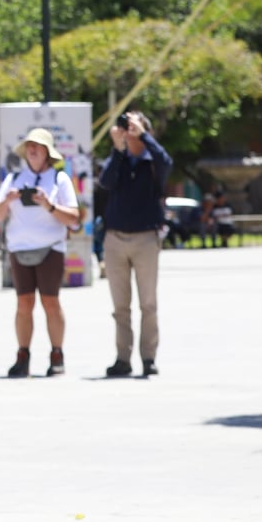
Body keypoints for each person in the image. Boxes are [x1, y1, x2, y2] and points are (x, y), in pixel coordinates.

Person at [0, 127, 81, 378]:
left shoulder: (59, 179)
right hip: (19, 249)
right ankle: (22, 356)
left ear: (47, 153)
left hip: (51, 248)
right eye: (29, 145)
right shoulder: (14, 179)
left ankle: (57, 354)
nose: (32, 149)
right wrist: (8, 200)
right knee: (24, 303)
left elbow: (73, 218)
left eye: (38, 146)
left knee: (50, 302)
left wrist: (48, 204)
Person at [98, 110, 172, 377]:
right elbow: (105, 181)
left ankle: (149, 358)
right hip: (115, 238)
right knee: (120, 307)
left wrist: (144, 136)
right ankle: (122, 359)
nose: (127, 131)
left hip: (145, 239)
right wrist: (118, 149)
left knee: (148, 304)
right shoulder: (120, 158)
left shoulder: (153, 161)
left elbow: (167, 162)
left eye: (133, 127)